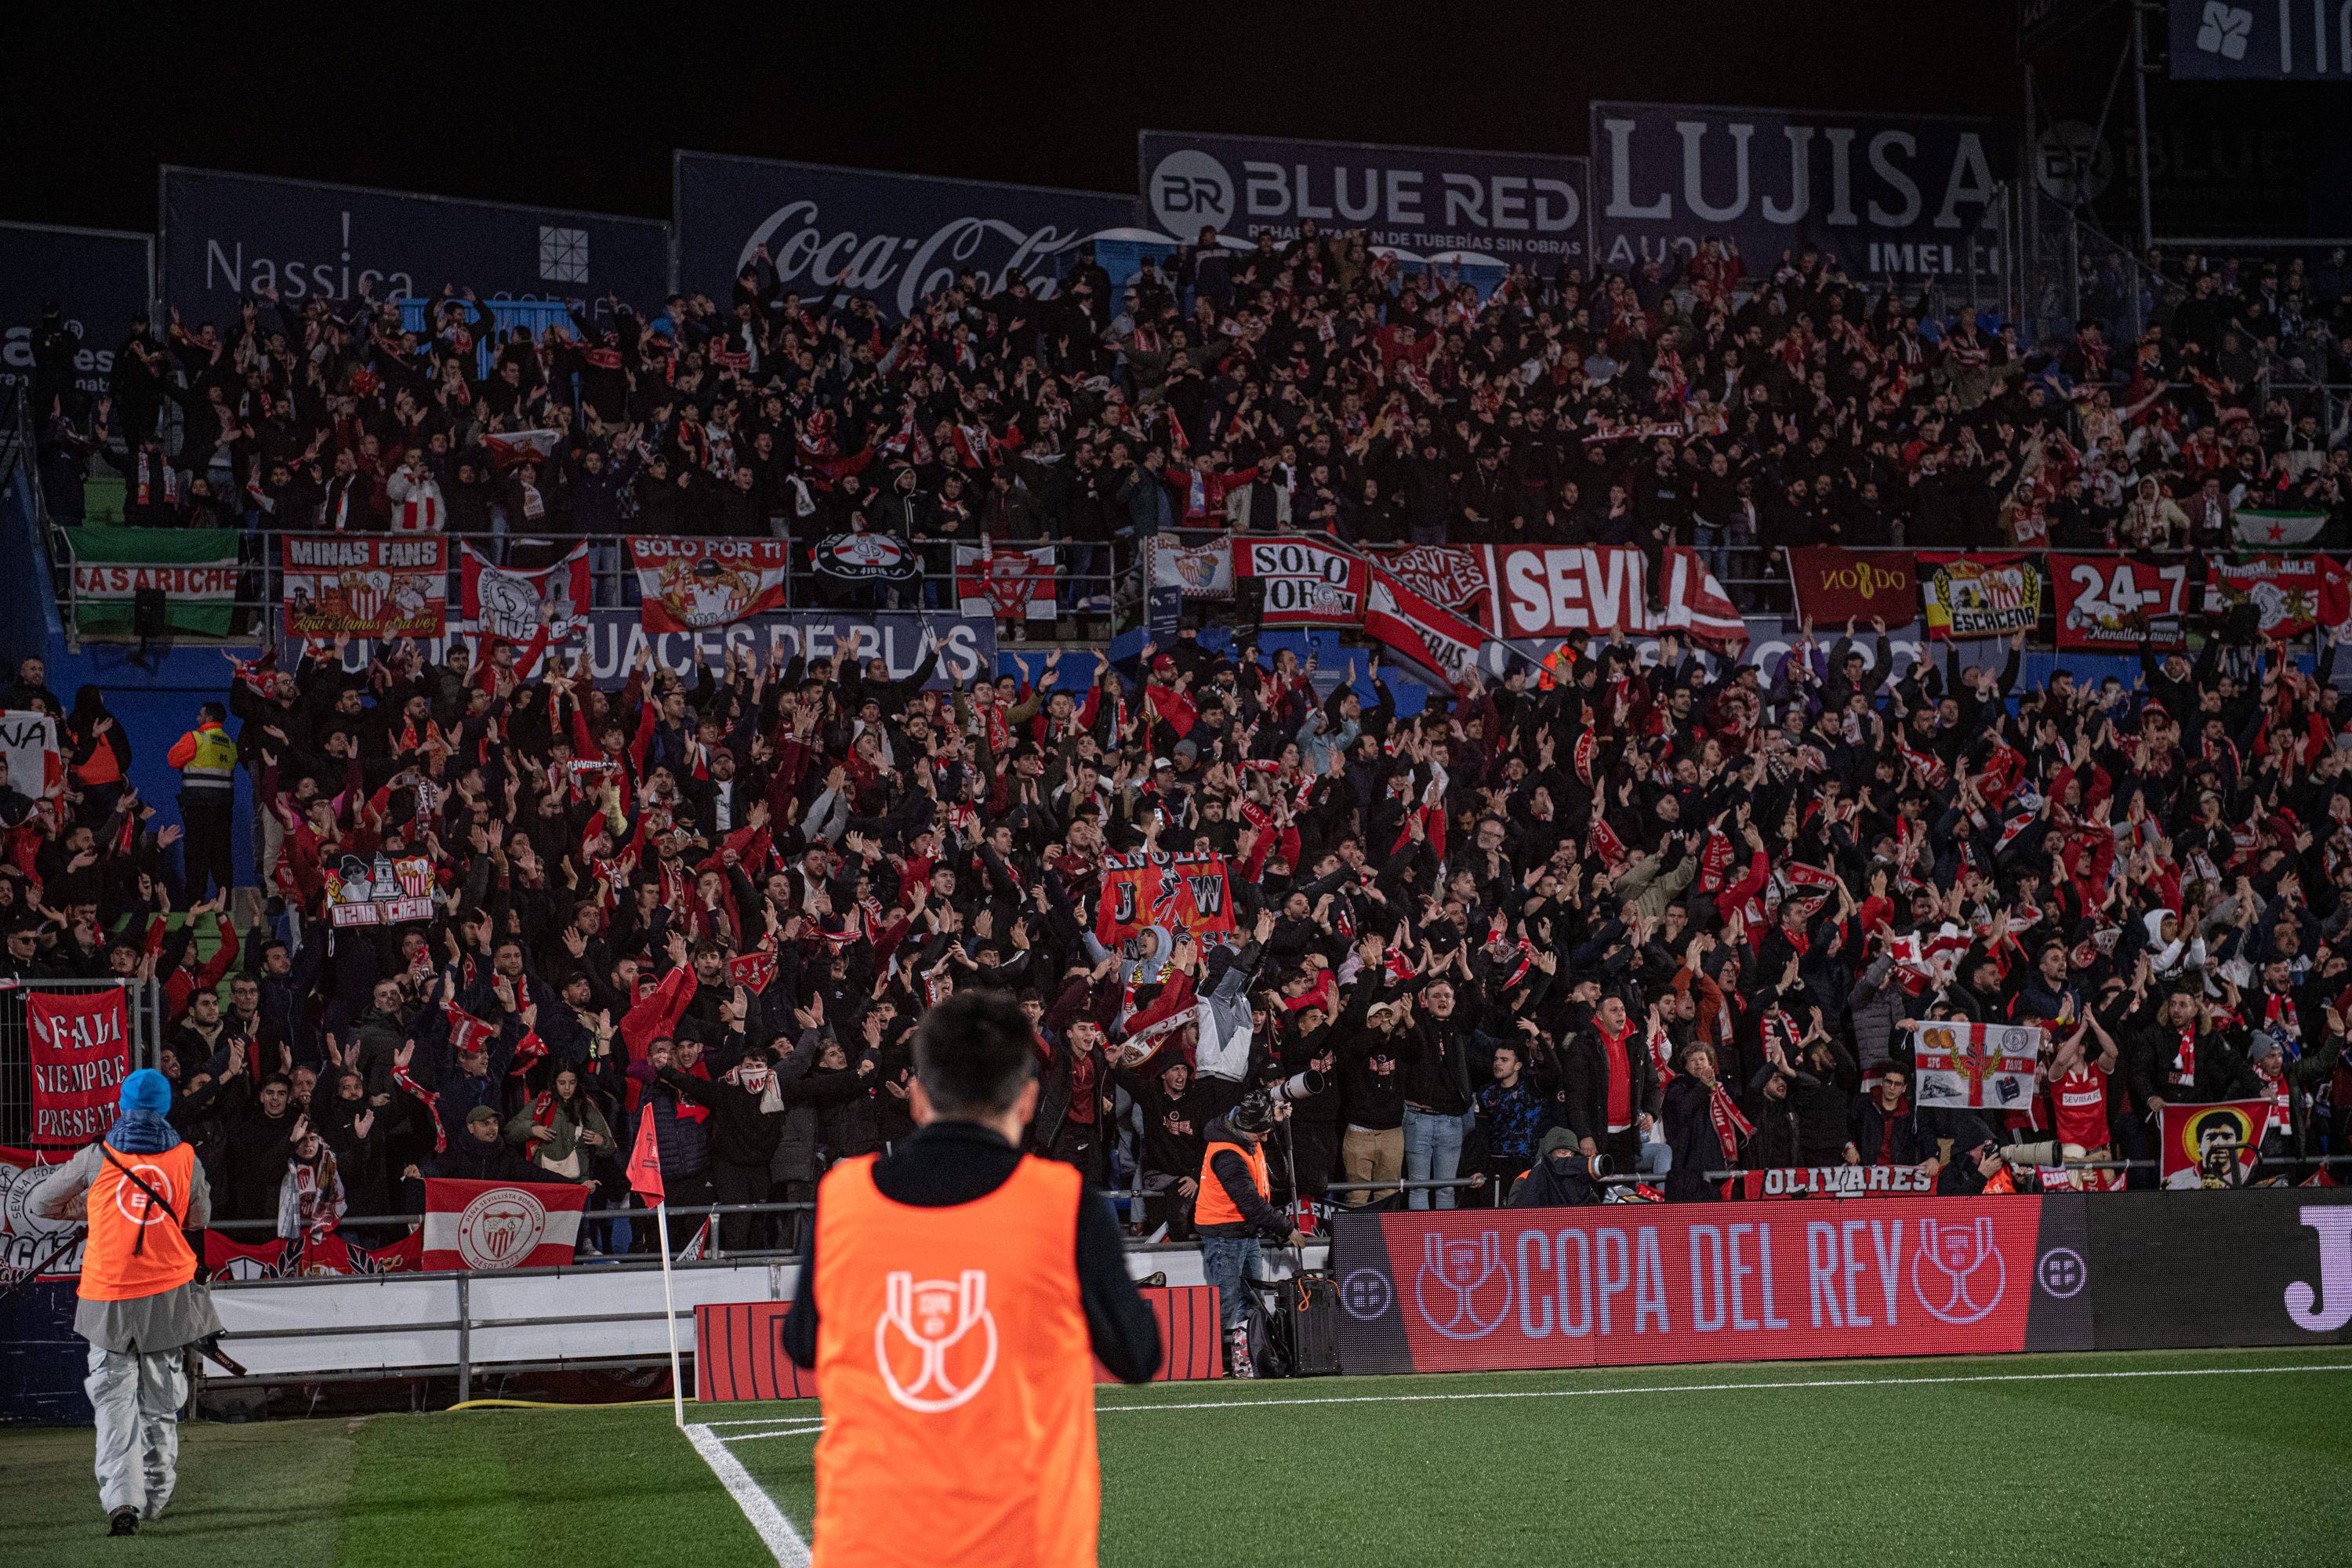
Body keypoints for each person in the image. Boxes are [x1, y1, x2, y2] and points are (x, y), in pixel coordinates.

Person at [781, 990, 1157, 1566]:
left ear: (918, 1094)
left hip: (869, 1542)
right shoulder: (1063, 1203)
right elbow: (1137, 1355)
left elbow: (802, 1344)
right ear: (1029, 1100)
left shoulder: (844, 1198)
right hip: (1026, 1546)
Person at [31, 1069, 224, 1537]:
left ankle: (122, 1501)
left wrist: (92, 1208)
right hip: (167, 1294)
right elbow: (199, 1217)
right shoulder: (184, 1158)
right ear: (166, 1108)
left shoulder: (96, 1156)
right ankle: (156, 1497)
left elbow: (40, 1203)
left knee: (113, 1402)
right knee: (160, 1403)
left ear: (121, 1105)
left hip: (107, 1296)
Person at [1192, 1088, 1305, 1379]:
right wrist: (1286, 1228)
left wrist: (1274, 1121)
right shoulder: (1227, 1155)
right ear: (1246, 1129)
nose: (1265, 1140)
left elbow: (1259, 1120)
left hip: (1244, 1231)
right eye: (1261, 1134)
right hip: (1224, 1232)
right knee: (1226, 1299)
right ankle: (1206, 1362)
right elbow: (1252, 1204)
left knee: (1252, 1298)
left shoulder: (1241, 1132)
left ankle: (1247, 1359)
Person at [164, 700, 237, 901]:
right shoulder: (230, 744)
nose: (197, 718)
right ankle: (226, 902)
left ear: (209, 718)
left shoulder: (195, 738)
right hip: (223, 809)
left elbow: (172, 759)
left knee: (196, 856)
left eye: (200, 714)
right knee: (221, 857)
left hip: (198, 808)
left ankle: (195, 903)